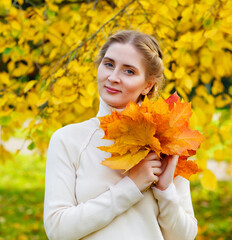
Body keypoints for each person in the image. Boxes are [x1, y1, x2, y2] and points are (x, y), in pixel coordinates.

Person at [43, 30, 198, 240]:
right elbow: (58, 230)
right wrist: (131, 187)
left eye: (129, 71)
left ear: (148, 85)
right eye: (108, 64)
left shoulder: (167, 141)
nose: (113, 77)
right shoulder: (68, 140)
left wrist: (165, 189)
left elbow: (184, 237)